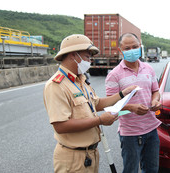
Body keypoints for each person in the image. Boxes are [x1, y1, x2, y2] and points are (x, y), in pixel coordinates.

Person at [43, 34, 136, 173]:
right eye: (87, 56)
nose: (90, 61)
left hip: (89, 154)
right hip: (73, 158)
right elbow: (60, 126)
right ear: (74, 55)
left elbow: (96, 104)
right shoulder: (57, 85)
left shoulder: (80, 80)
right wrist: (99, 120)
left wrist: (123, 93)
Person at [105, 33, 162, 173]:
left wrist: (155, 101)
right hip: (130, 133)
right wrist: (131, 108)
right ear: (120, 50)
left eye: (135, 47)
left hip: (152, 129)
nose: (132, 50)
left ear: (140, 47)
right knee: (130, 170)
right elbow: (111, 107)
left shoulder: (148, 68)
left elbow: (156, 91)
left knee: (152, 169)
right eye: (127, 48)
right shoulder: (114, 75)